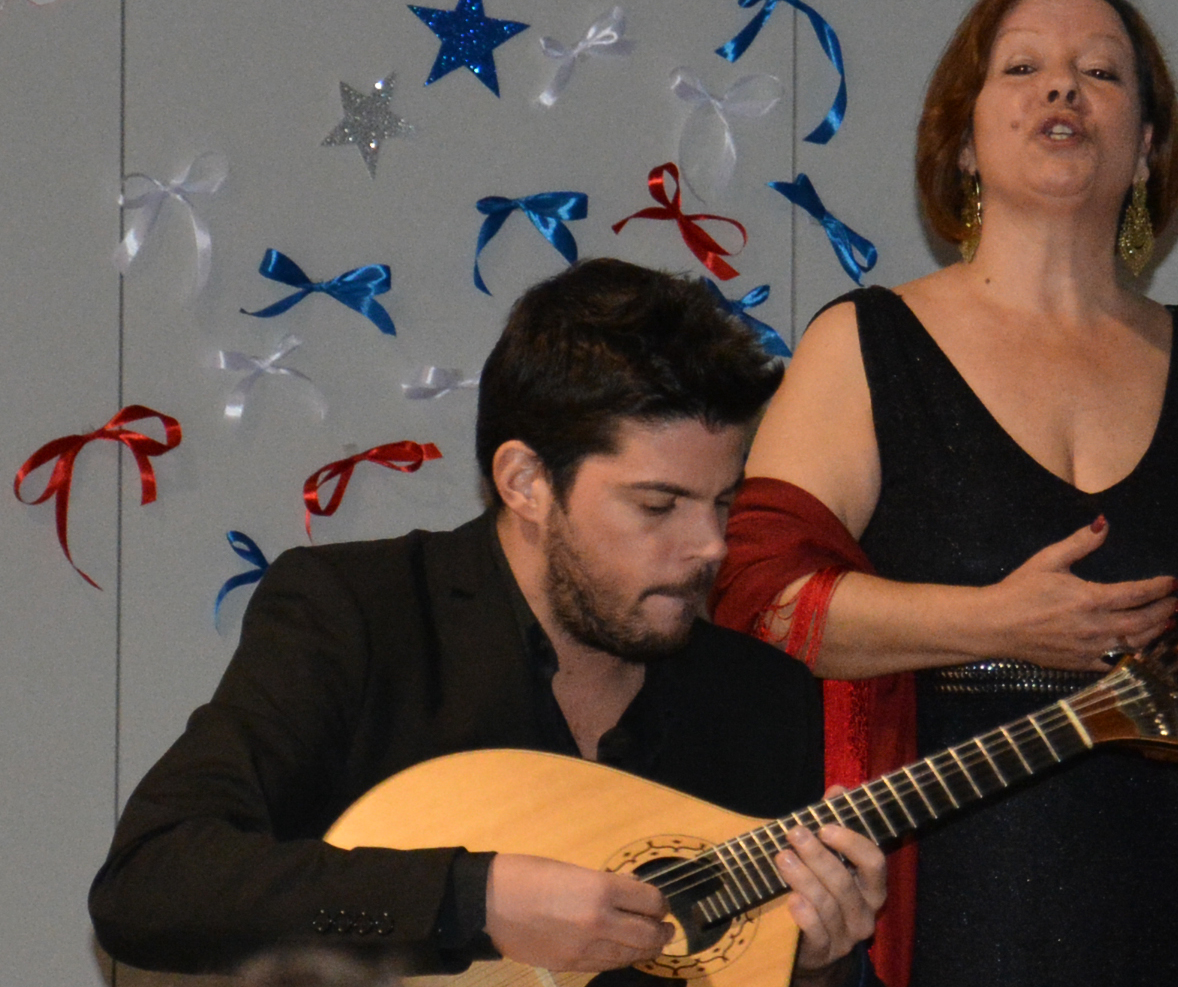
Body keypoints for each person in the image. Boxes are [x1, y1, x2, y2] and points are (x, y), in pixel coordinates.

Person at [712, 0, 1178, 987]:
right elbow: (751, 593)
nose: (1063, 90)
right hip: (927, 891)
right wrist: (996, 622)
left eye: (1101, 73)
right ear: (961, 139)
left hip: (1158, 900)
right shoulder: (864, 344)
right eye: (1024, 68)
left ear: (1147, 149)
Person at [91, 260, 889, 985]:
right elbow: (151, 885)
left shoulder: (761, 699)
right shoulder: (358, 614)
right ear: (525, 481)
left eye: (722, 502)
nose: (709, 544)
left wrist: (811, 966)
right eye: (657, 505)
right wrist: (473, 900)